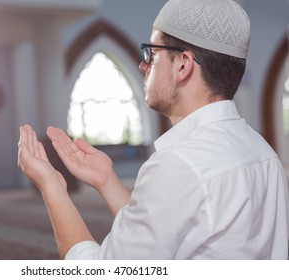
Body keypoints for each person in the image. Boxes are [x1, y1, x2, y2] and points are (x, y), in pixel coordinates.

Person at [17, 0, 289, 259]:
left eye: (152, 52)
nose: (143, 65)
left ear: (182, 64)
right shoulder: (263, 152)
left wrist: (51, 186)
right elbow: (167, 229)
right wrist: (107, 181)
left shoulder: (180, 164)